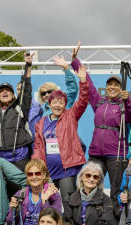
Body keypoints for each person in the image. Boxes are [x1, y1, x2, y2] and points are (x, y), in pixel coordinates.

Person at [71, 42, 131, 209]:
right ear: (106, 88)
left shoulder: (123, 104)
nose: (112, 87)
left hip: (116, 154)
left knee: (116, 191)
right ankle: (92, 221)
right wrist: (75, 61)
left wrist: (127, 100)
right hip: (96, 153)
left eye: (116, 85)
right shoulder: (99, 102)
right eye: (110, 85)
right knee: (90, 186)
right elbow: (89, 84)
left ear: (120, 88)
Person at [32, 65, 89, 212]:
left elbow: (82, 100)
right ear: (49, 104)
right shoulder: (41, 123)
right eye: (54, 102)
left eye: (61, 102)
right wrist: (40, 169)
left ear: (65, 104)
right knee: (48, 207)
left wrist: (83, 81)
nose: (57, 105)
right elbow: (38, 147)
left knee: (69, 204)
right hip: (49, 173)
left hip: (66, 171)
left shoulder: (70, 116)